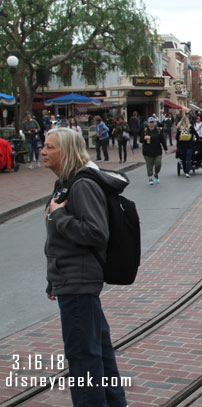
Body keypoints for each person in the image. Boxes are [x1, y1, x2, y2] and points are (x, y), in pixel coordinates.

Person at [40, 127, 128, 407]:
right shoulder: (66, 183)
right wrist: (53, 279)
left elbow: (95, 233)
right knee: (98, 350)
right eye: (44, 145)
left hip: (79, 280)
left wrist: (60, 215)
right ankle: (115, 402)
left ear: (67, 152)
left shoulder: (82, 185)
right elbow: (59, 242)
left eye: (50, 147)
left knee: (82, 356)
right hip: (70, 279)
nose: (43, 151)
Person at [141, 116, 168, 185]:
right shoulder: (145, 130)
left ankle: (156, 173)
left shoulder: (158, 130)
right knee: (149, 165)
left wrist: (165, 149)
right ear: (148, 123)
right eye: (150, 122)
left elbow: (162, 140)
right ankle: (150, 178)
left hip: (157, 150)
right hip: (147, 151)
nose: (151, 123)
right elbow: (140, 140)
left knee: (158, 164)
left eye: (152, 122)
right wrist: (144, 138)